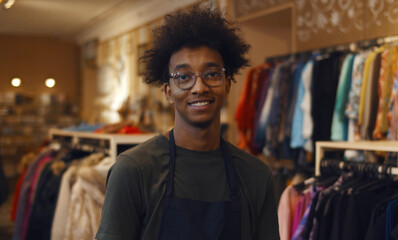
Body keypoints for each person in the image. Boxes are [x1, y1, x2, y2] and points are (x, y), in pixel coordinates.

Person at [96, 6, 279, 240]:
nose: (199, 87)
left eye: (212, 74)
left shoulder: (256, 175)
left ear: (227, 85)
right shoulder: (133, 170)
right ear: (168, 92)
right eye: (183, 77)